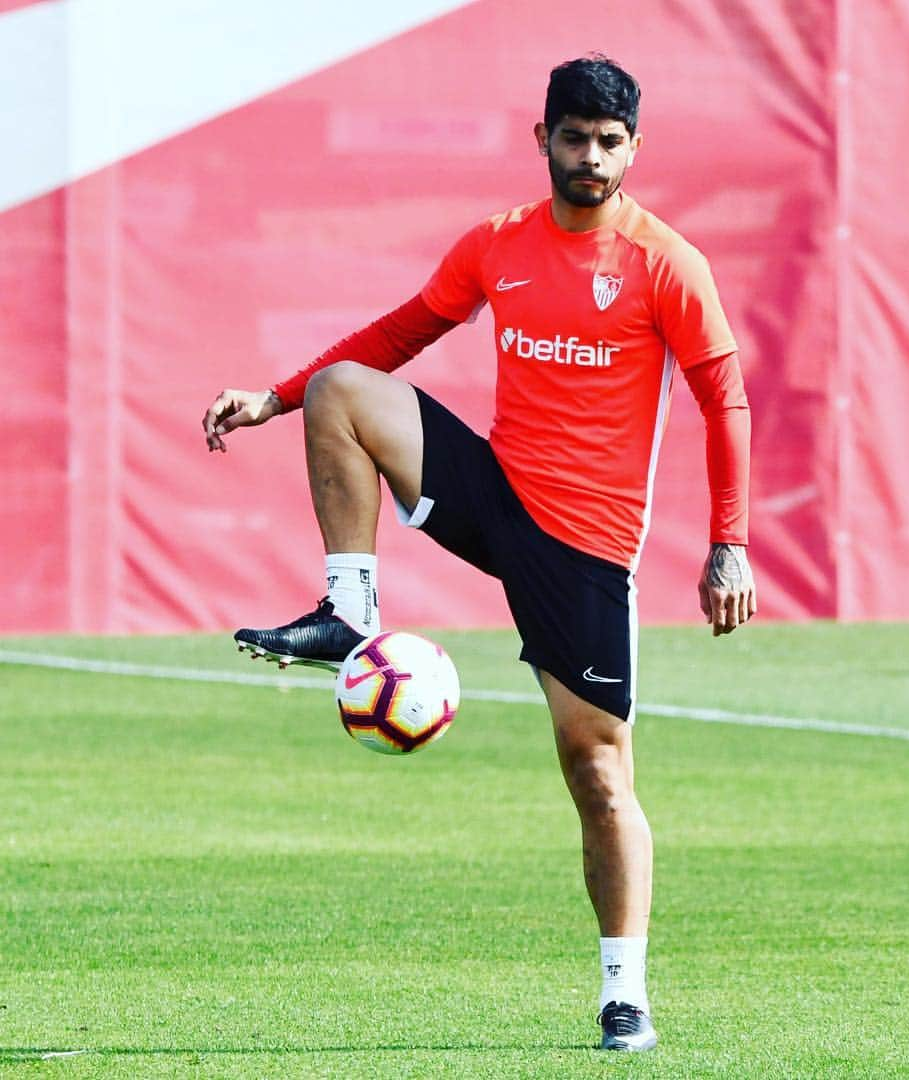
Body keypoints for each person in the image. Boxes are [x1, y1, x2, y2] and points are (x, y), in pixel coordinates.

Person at [202, 54, 755, 1052]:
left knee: (597, 771)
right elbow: (403, 331)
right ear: (541, 139)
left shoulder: (666, 262)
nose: (591, 157)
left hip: (583, 546)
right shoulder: (497, 245)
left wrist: (730, 544)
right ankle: (351, 610)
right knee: (343, 390)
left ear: (634, 149)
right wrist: (274, 396)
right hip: (496, 493)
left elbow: (726, 400)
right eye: (574, 137)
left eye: (611, 141)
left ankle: (624, 992)